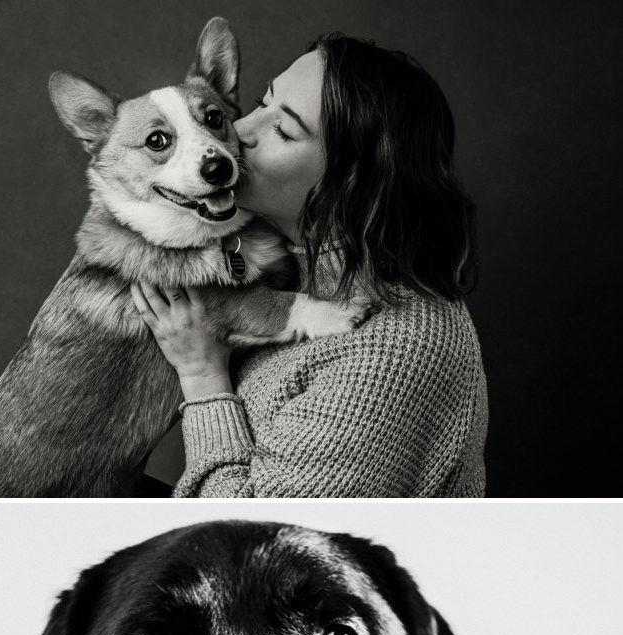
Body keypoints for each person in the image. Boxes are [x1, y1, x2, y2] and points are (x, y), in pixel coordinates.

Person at [132, 34, 487, 497]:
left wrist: (203, 378)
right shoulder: (267, 262)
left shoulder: (395, 351)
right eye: (261, 102)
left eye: (283, 130)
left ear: (352, 181)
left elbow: (261, 544)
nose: (237, 131)